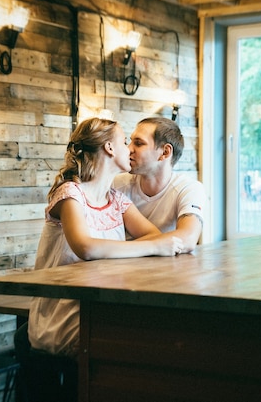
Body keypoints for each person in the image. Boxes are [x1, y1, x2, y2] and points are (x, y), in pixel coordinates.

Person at [27, 117, 183, 360]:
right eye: (124, 142)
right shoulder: (70, 194)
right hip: (64, 314)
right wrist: (155, 246)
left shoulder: (116, 200)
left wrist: (154, 243)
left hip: (100, 305)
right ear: (109, 148)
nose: (130, 149)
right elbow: (86, 248)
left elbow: (152, 234)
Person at [113, 117, 206, 253]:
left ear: (165, 152)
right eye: (129, 142)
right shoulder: (116, 185)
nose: (128, 149)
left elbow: (188, 238)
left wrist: (113, 249)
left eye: (138, 143)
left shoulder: (189, 188)